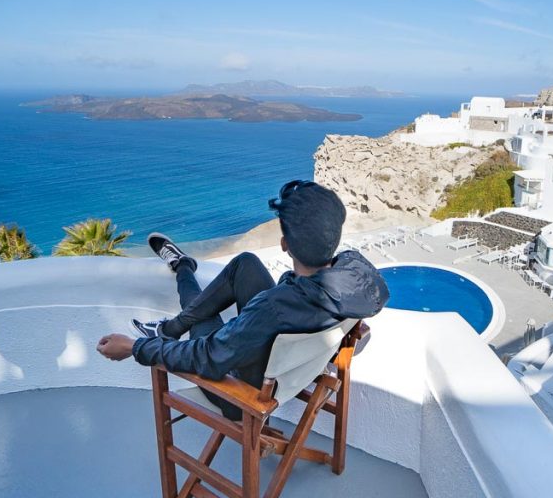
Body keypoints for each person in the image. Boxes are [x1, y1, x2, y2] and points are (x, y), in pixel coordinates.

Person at [96, 180, 389, 420]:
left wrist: (134, 347)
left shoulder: (273, 307)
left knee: (198, 313)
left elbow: (205, 358)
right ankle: (172, 315)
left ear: (285, 244)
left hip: (242, 394)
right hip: (286, 357)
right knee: (246, 263)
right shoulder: (359, 277)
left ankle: (182, 271)